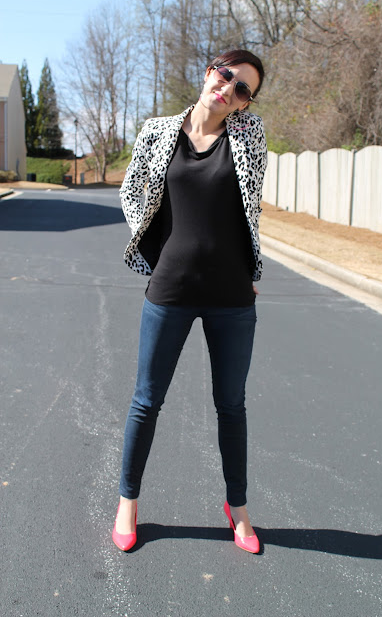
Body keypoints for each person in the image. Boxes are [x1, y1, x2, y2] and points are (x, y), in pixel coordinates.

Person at [112, 49, 268, 554]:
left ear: (244, 104)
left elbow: (250, 210)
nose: (228, 89)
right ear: (209, 73)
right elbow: (132, 192)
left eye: (242, 89)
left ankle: (237, 508)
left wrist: (250, 272)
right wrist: (153, 250)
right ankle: (127, 502)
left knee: (232, 406)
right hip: (170, 289)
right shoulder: (158, 131)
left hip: (231, 296)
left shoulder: (249, 135)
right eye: (226, 76)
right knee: (146, 400)